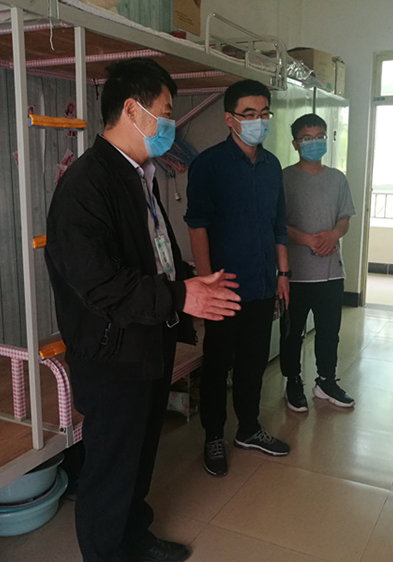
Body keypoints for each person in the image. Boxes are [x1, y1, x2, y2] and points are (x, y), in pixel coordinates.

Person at [45, 58, 241, 562]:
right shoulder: (86, 185)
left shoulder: (139, 176)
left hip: (146, 341)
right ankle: (106, 553)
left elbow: (151, 252)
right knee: (111, 466)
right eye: (166, 112)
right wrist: (181, 297)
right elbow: (99, 283)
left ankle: (134, 537)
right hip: (112, 354)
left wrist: (186, 280)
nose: (170, 124)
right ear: (132, 110)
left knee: (138, 456)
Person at [185, 79, 291, 477]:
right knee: (217, 366)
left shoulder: (272, 165)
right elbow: (197, 226)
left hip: (262, 284)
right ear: (229, 119)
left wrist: (282, 273)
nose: (258, 121)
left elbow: (278, 225)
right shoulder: (209, 165)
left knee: (253, 363)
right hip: (224, 288)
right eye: (249, 114)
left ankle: (248, 428)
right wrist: (205, 284)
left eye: (264, 113)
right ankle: (213, 434)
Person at [279, 113, 356, 412]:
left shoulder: (337, 178)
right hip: (294, 274)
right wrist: (307, 239)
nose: (314, 143)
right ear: (296, 144)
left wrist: (334, 234)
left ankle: (326, 381)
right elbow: (276, 225)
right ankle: (293, 381)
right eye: (307, 138)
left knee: (328, 332)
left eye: (319, 137)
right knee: (292, 333)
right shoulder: (284, 178)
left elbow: (344, 218)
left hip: (330, 272)